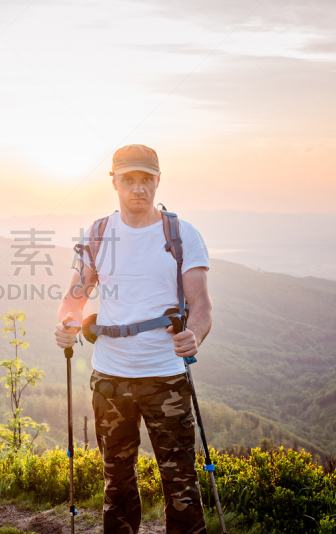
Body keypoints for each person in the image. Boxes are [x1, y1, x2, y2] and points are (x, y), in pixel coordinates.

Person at [54, 144, 213, 534]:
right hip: (110, 377)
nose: (138, 188)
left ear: (158, 181)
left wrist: (194, 336)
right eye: (129, 180)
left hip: (166, 377)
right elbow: (76, 296)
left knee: (181, 486)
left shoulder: (181, 235)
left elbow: (202, 305)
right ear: (114, 182)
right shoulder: (97, 235)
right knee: (117, 485)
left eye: (146, 179)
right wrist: (66, 324)